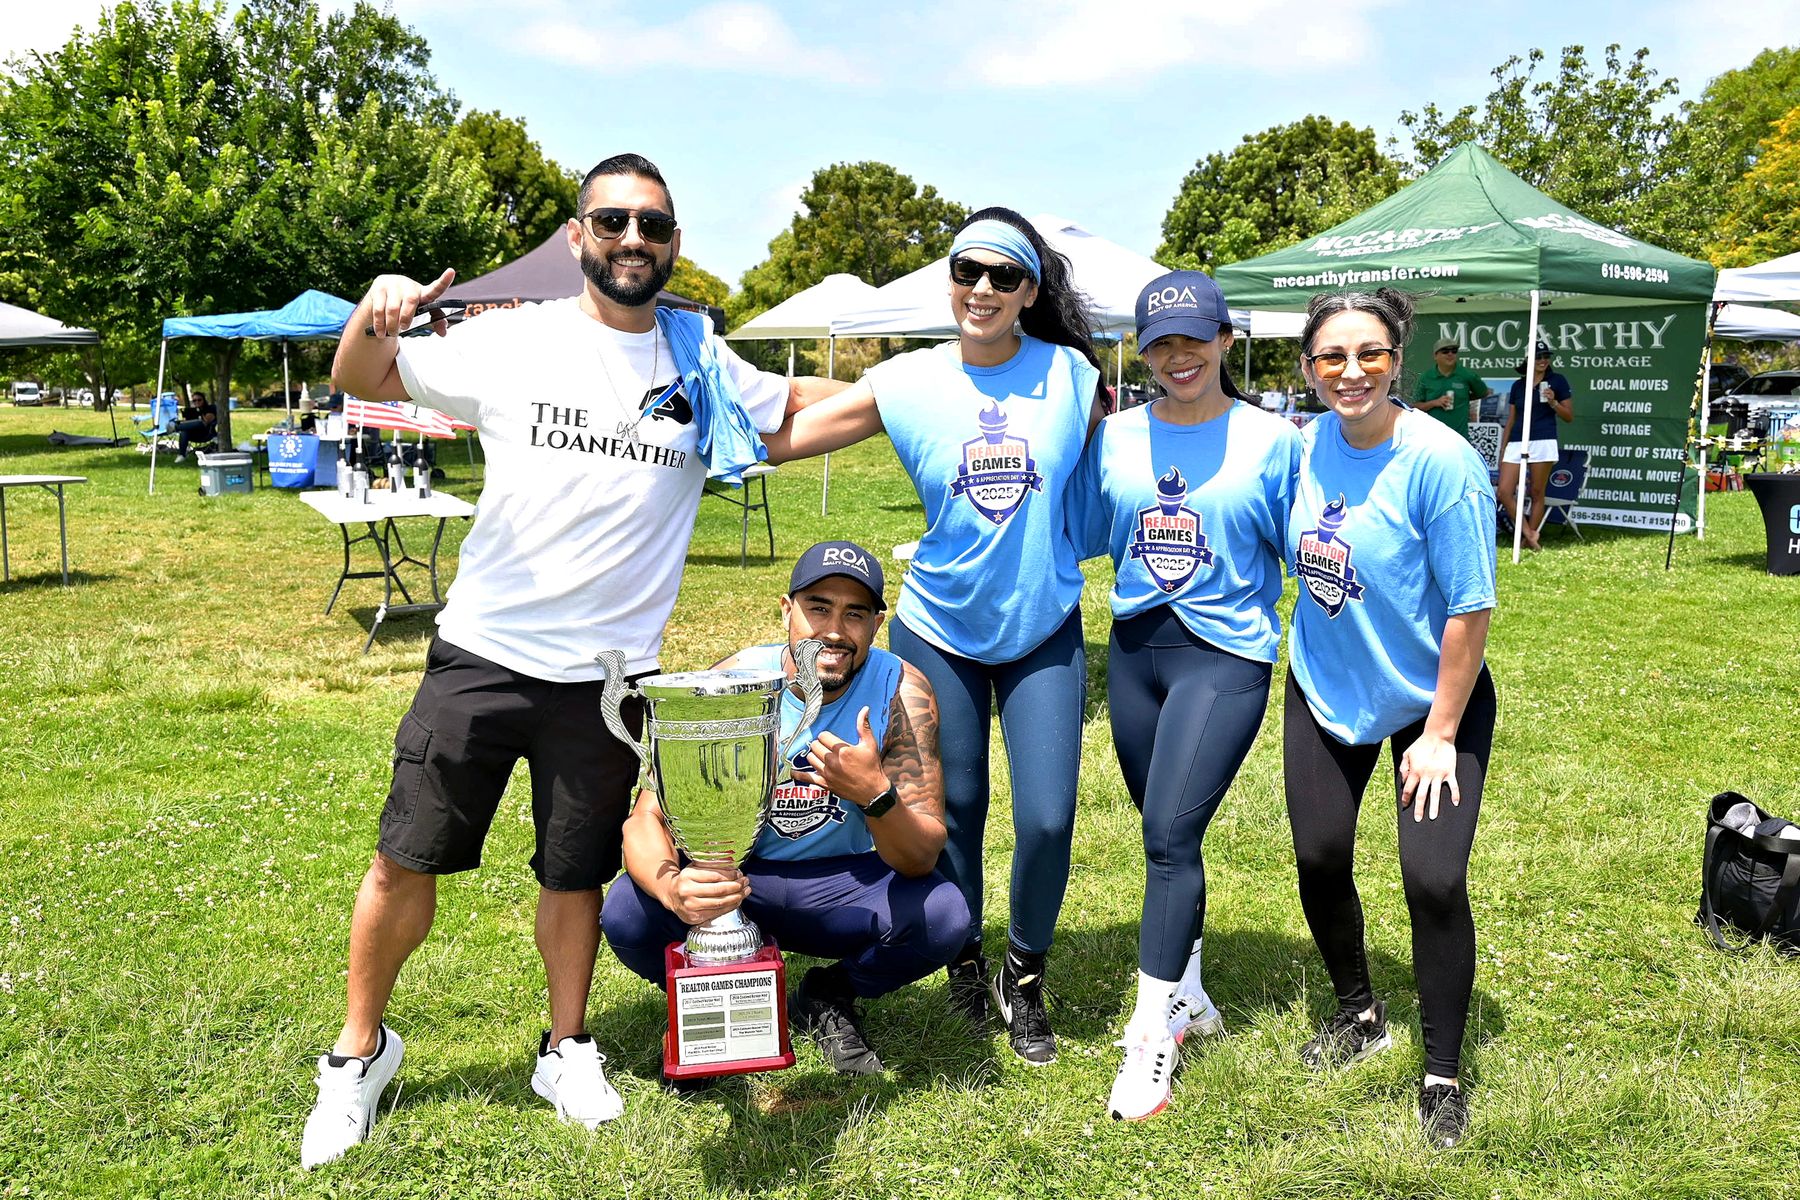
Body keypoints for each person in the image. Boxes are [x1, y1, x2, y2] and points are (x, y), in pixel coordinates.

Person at [301, 152, 843, 1169]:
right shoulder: (516, 338)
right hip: (485, 653)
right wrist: (376, 310)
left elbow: (795, 407)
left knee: (575, 873)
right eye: (613, 220)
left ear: (673, 243)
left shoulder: (701, 360)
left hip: (609, 681)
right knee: (405, 858)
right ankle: (359, 1053)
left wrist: (922, 392)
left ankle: (566, 1048)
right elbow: (360, 376)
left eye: (653, 225)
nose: (633, 239)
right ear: (577, 235)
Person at [763, 208, 1103, 1064]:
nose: (982, 288)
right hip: (938, 625)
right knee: (955, 809)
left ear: (1030, 291)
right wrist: (681, 426)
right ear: (948, 280)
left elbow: (1126, 462)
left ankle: (1024, 975)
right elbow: (789, 434)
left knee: (1049, 818)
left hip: (1042, 626)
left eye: (1003, 275)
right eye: (966, 270)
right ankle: (964, 960)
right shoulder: (907, 379)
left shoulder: (1071, 375)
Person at [1068, 272, 1300, 1121]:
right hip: (1137, 652)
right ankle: (1191, 996)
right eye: (1161, 343)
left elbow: (1317, 547)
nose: (1179, 356)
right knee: (1167, 835)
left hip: (1226, 656)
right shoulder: (1117, 436)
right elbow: (1079, 532)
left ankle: (1148, 1039)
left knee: (1168, 836)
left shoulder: (1275, 440)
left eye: (1194, 339)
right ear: (1142, 352)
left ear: (1226, 341)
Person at [602, 541, 966, 1076]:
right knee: (628, 912)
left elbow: (921, 855)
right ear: (786, 610)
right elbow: (646, 817)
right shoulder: (732, 682)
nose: (834, 631)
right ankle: (711, 997)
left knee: (943, 916)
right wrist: (673, 888)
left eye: (855, 614)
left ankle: (829, 993)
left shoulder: (900, 689)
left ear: (876, 624)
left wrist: (874, 795)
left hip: (846, 883)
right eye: (818, 607)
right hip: (741, 877)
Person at [1284, 287, 1497, 1150]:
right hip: (1327, 686)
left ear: (1396, 359)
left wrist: (1439, 734)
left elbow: (1470, 608)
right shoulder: (1301, 448)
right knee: (1319, 856)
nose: (1351, 371)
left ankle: (1442, 1074)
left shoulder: (1442, 464)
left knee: (1433, 880)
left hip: (1434, 700)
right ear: (1308, 368)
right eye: (1332, 356)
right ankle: (1358, 1014)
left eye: (1369, 353)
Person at [1499, 339, 1574, 550]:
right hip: (1517, 440)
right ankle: (1530, 534)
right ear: (1529, 359)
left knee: (1537, 491)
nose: (1543, 360)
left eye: (1546, 356)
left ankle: (1528, 541)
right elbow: (1512, 418)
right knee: (1504, 492)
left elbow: (1569, 416)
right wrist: (1503, 447)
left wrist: (1553, 402)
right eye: (1538, 356)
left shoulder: (1557, 381)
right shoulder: (1518, 385)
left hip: (1543, 439)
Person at [1411, 338, 1491, 440]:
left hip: (1460, 439)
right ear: (1435, 355)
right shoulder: (1426, 377)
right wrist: (1435, 403)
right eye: (1445, 351)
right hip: (1433, 438)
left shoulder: (1467, 375)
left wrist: (1464, 398)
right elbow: (1415, 406)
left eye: (1454, 351)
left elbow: (1484, 392)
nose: (1450, 354)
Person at [172, 392, 218, 460]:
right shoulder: (192, 411)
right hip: (194, 434)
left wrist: (200, 413)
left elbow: (207, 422)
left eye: (199, 400)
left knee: (199, 422)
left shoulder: (210, 408)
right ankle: (182, 455)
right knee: (184, 432)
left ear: (204, 400)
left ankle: (175, 427)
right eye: (194, 400)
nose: (197, 402)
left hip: (207, 434)